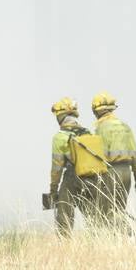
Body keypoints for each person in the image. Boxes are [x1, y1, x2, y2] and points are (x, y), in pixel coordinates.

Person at [91, 92, 136, 228]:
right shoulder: (125, 127)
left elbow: (99, 157)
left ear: (97, 110)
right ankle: (123, 236)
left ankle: (123, 231)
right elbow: (135, 155)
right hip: (127, 173)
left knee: (108, 210)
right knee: (119, 208)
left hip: (111, 172)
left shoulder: (101, 128)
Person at [48, 99, 84, 234]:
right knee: (95, 214)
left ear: (61, 116)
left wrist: (53, 189)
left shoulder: (60, 137)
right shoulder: (87, 133)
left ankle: (64, 241)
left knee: (64, 210)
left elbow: (57, 168)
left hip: (72, 176)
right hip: (93, 177)